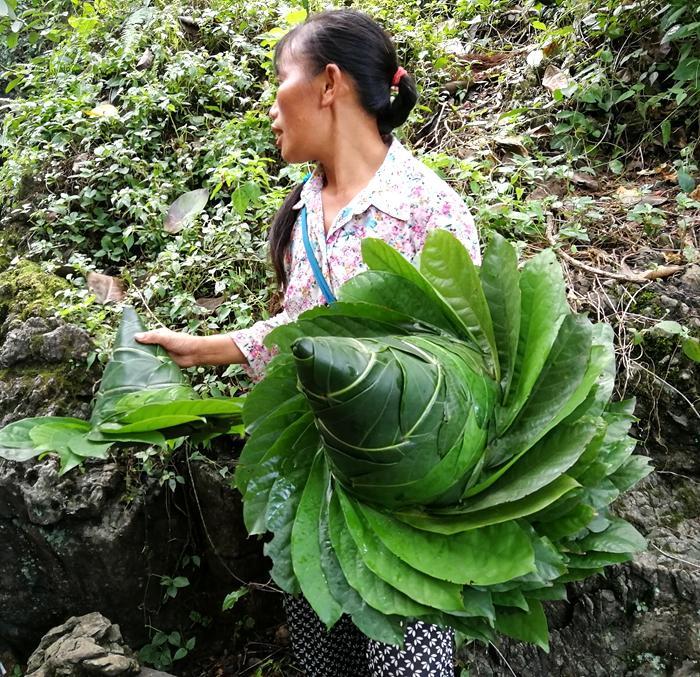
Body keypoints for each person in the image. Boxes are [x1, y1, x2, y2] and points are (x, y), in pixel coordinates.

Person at [135, 9, 480, 676]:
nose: (269, 105)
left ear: (328, 84)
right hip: (311, 486)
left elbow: (462, 369)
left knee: (403, 658)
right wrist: (204, 347)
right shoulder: (302, 209)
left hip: (400, 508)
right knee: (325, 653)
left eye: (278, 80)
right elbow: (304, 332)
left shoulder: (428, 213)